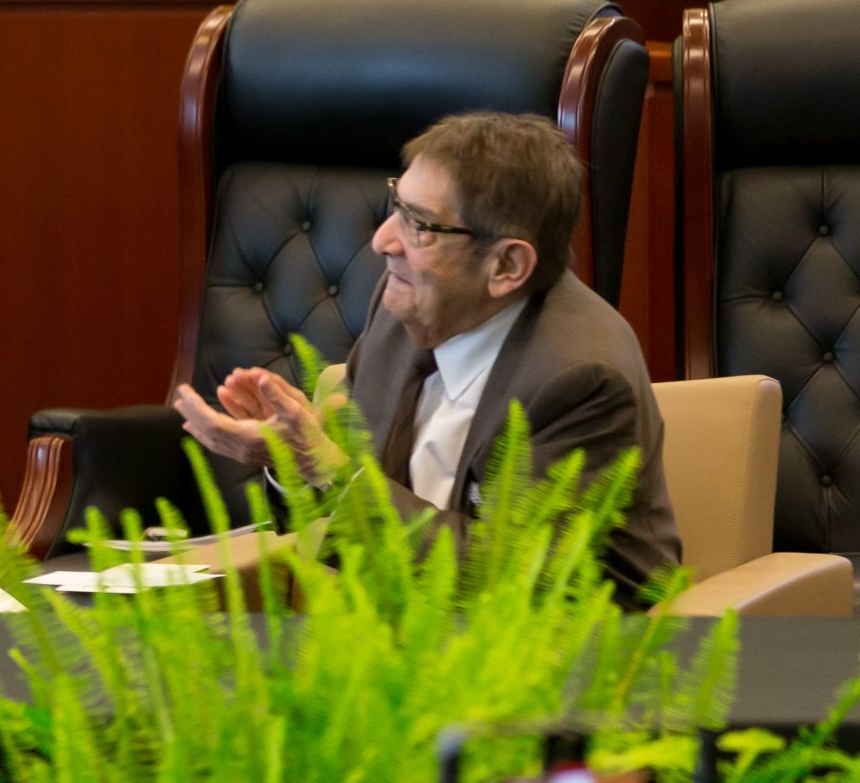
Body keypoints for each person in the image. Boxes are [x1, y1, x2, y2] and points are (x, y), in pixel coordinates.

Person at [174, 111, 680, 603]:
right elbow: (340, 517)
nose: (381, 240)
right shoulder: (403, 307)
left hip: (566, 661)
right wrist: (289, 458)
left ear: (507, 265)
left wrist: (328, 468)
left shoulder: (579, 377)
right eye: (397, 205)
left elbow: (508, 581)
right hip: (394, 642)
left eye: (421, 225)